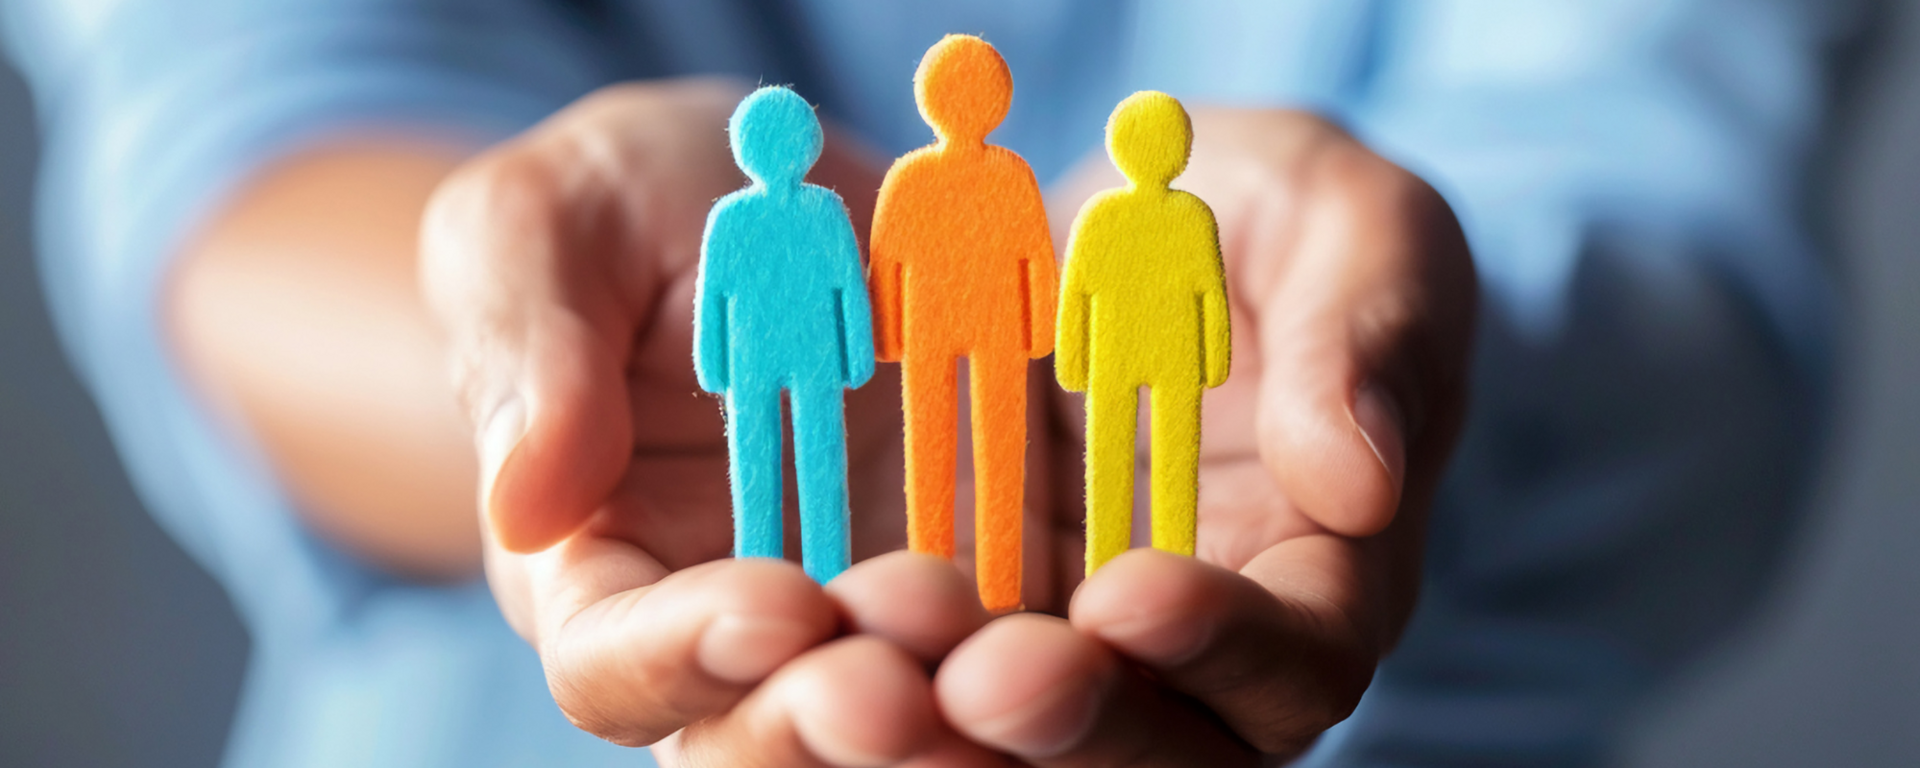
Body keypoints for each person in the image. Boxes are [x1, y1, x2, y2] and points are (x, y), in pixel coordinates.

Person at [0, 1, 1860, 765]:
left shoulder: (1041, 211)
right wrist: (573, 382)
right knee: (828, 485)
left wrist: (1374, 363)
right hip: (782, 420)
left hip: (1137, 404)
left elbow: (1659, 173)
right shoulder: (835, 214)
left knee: (1080, 494)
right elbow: (234, 126)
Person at [870, 34, 1058, 612]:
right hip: (990, 326)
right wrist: (1042, 336)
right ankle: (981, 586)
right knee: (990, 454)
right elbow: (1037, 263)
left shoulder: (912, 178)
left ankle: (957, 584)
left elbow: (889, 268)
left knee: (938, 451)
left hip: (942, 327)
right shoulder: (1008, 173)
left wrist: (890, 339)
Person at [694, 85, 875, 584]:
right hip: (802, 353)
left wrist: (713, 362)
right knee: (794, 462)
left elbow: (847, 284)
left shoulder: (741, 217)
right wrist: (856, 354)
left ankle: (801, 569)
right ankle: (787, 567)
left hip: (759, 356)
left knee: (777, 462)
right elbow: (848, 289)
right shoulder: (810, 213)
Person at [1056, 90, 1232, 573]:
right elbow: (1211, 297)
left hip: (1127, 356)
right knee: (1149, 460)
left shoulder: (1108, 216)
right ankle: (1145, 562)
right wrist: (1214, 362)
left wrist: (1072, 361)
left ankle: (1145, 564)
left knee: (1134, 460)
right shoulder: (1184, 216)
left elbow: (1077, 296)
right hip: (1165, 359)